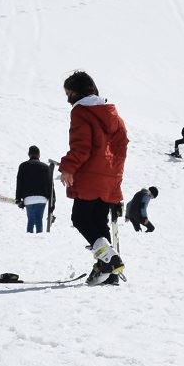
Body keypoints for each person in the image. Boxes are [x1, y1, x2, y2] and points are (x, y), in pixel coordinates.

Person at [57, 69, 128, 285]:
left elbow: (81, 146)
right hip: (109, 178)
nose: (68, 99)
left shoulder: (81, 112)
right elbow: (122, 147)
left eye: (69, 93)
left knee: (80, 219)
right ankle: (111, 273)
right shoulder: (114, 116)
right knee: (98, 222)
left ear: (78, 92)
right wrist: (114, 177)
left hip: (90, 176)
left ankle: (108, 259)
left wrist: (68, 167)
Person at [15, 145, 52, 233]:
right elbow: (50, 184)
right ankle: (40, 241)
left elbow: (19, 183)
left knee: (30, 221)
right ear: (39, 155)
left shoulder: (23, 166)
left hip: (28, 198)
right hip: (42, 198)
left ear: (29, 154)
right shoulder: (45, 167)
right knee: (39, 220)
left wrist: (18, 199)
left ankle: (29, 241)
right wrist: (52, 200)